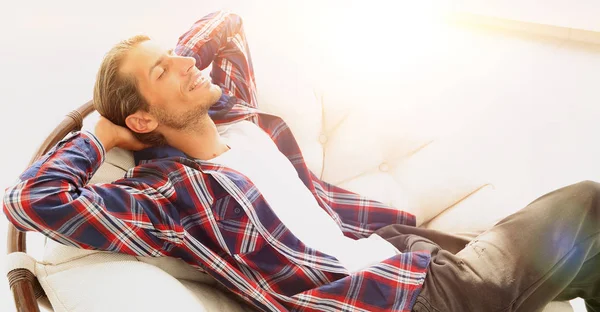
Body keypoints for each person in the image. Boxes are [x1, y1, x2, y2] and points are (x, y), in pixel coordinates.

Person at [3, 10, 599, 312]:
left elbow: (227, 27)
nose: (187, 65)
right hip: (387, 301)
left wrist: (170, 65)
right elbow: (32, 201)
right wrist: (101, 133)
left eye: (178, 58)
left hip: (401, 255)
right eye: (164, 70)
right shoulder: (172, 194)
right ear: (142, 120)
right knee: (587, 202)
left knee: (582, 260)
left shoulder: (243, 121)